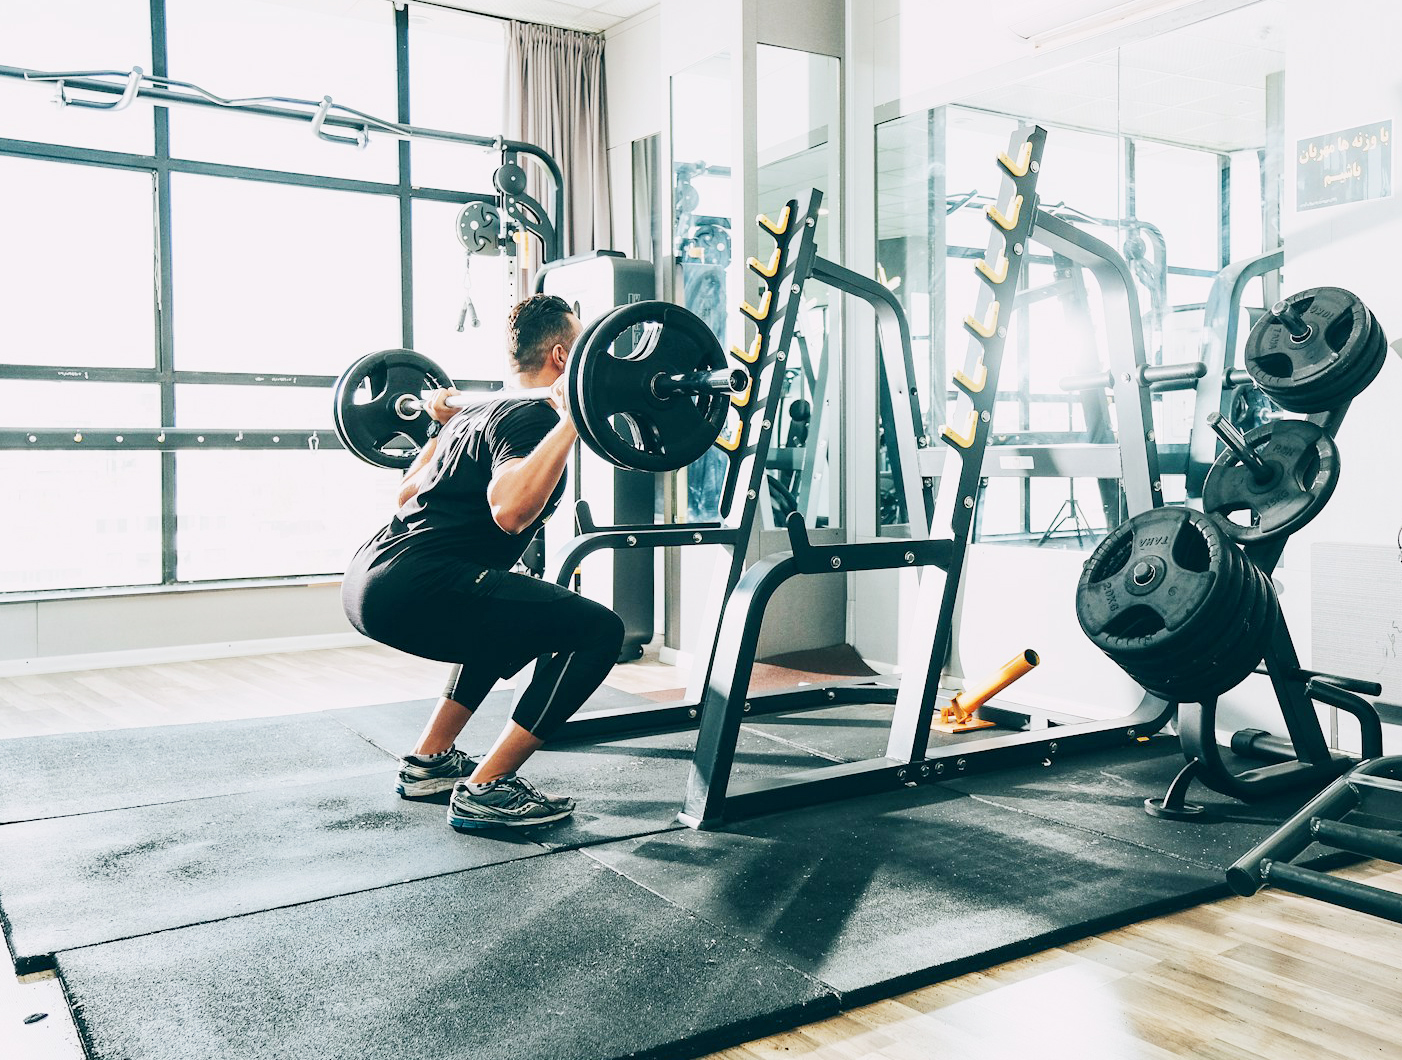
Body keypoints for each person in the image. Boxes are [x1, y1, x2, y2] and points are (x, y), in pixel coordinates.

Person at [341, 294, 625, 830]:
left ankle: (431, 762)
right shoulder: (533, 417)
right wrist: (571, 420)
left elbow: (406, 496)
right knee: (599, 632)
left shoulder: (474, 413)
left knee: (506, 611)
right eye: (585, 348)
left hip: (371, 578)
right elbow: (511, 512)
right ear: (564, 359)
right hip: (418, 584)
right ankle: (488, 787)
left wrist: (438, 426)